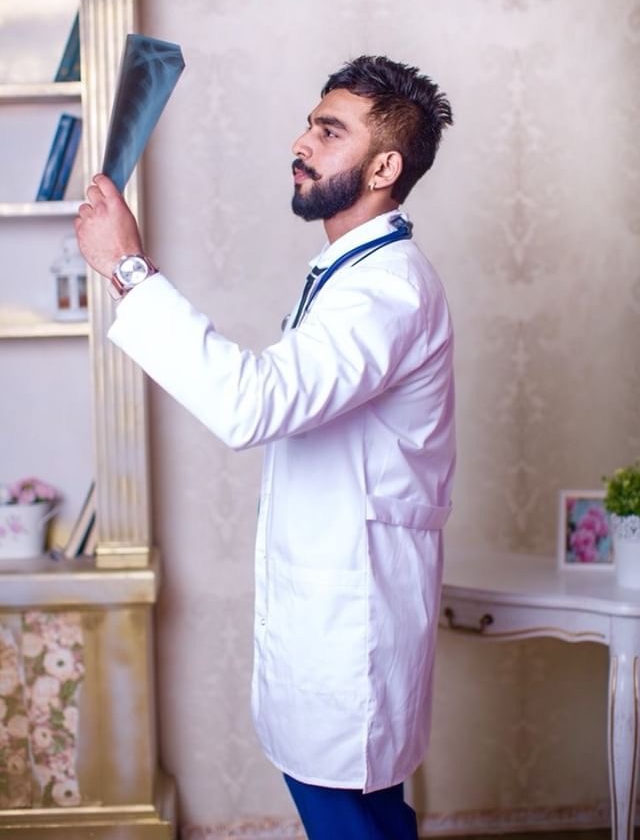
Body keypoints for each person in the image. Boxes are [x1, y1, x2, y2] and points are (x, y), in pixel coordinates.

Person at [75, 55, 456, 840]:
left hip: (352, 624)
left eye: (329, 131)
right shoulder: (351, 274)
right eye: (310, 124)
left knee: (351, 815)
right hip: (332, 611)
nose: (301, 142)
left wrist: (129, 270)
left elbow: (252, 403)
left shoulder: (384, 290)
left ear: (384, 167)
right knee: (372, 814)